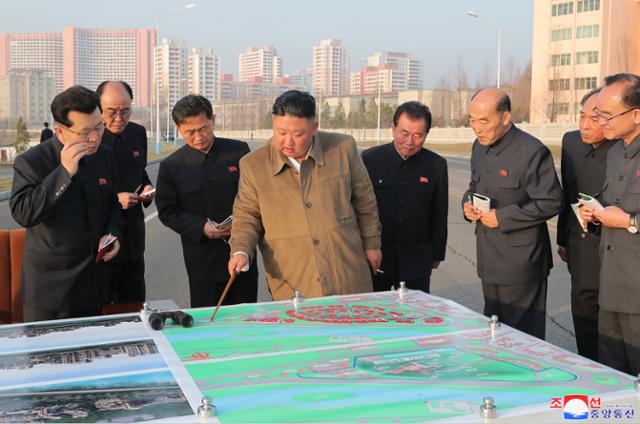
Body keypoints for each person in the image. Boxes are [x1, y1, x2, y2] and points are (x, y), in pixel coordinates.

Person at [228, 90, 382, 300]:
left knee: (355, 330)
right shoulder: (253, 165)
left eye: (298, 134)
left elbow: (365, 201)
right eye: (280, 132)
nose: (287, 142)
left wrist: (373, 244)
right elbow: (246, 216)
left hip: (347, 271)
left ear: (314, 128)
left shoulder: (342, 148)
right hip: (294, 277)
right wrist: (241, 250)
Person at [10, 85, 122, 322]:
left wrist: (113, 235)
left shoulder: (104, 155)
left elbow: (113, 205)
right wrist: (64, 173)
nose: (94, 137)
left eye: (99, 127)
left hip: (96, 284)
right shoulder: (32, 162)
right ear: (60, 132)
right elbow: (24, 213)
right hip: (51, 292)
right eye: (84, 132)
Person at [462, 87, 563, 339]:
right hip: (489, 259)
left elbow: (551, 201)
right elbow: (474, 187)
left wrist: (503, 217)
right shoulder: (479, 146)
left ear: (505, 118)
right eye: (472, 120)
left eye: (484, 121)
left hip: (522, 265)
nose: (477, 128)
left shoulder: (531, 151)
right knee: (494, 332)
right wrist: (467, 204)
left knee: (521, 338)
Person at [156, 95, 258, 307]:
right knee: (208, 318)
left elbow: (255, 195)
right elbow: (167, 211)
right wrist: (201, 227)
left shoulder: (238, 151)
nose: (198, 137)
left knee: (246, 315)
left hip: (241, 251)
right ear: (178, 128)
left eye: (203, 128)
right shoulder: (172, 166)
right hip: (202, 258)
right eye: (189, 132)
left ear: (213, 119)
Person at [580, 73, 640, 375]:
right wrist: (594, 213)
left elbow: (628, 216)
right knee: (613, 372)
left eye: (607, 115)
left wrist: (630, 221)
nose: (602, 122)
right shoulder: (616, 151)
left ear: (637, 114)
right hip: (611, 283)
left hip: (638, 291)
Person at [362, 101, 448, 293]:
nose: (410, 142)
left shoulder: (436, 165)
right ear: (393, 129)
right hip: (378, 255)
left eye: (418, 136)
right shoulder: (370, 160)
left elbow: (439, 213)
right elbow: (359, 207)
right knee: (376, 314)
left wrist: (437, 254)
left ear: (426, 134)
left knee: (416, 316)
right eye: (404, 133)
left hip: (416, 258)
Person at [556, 88, 614, 361]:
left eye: (595, 118)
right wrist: (561, 238)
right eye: (582, 116)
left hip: (614, 247)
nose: (584, 125)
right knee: (583, 312)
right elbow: (566, 192)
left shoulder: (621, 149)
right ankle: (589, 368)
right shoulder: (571, 143)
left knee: (613, 324)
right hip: (579, 244)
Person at [97, 81, 154, 304]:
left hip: (133, 236)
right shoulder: (92, 138)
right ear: (98, 109)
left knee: (135, 302)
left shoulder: (138, 133)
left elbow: (141, 173)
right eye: (111, 112)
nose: (119, 118)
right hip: (104, 237)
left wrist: (147, 187)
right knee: (104, 307)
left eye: (125, 111)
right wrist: (115, 198)